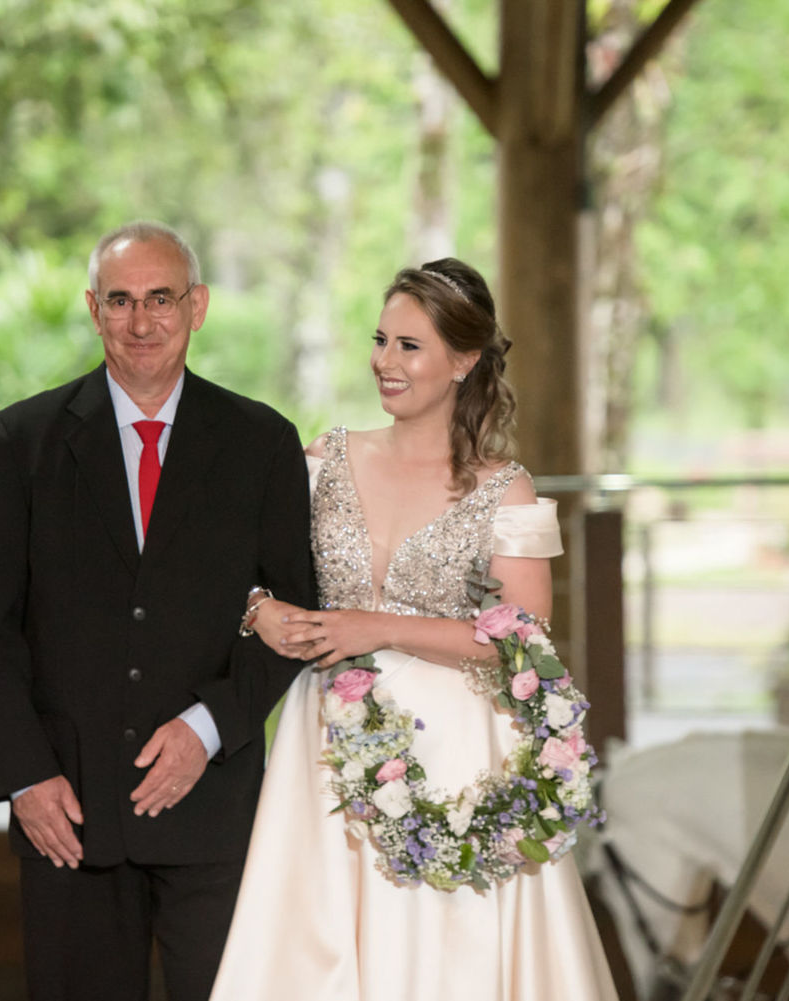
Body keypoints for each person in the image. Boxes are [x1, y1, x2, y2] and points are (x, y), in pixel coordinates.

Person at [208, 259, 618, 1001]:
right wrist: (260, 606)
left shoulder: (506, 487)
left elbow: (523, 637)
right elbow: (239, 566)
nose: (384, 362)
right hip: (325, 737)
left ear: (464, 360)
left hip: (454, 749)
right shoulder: (324, 459)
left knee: (445, 954)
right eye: (380, 340)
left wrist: (377, 626)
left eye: (409, 346)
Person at [0, 221, 314, 1001]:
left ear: (198, 306)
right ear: (93, 310)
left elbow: (296, 614)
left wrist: (207, 728)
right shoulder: (21, 440)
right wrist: (26, 776)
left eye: (161, 298)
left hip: (213, 808)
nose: (141, 320)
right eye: (120, 300)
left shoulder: (262, 442)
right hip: (68, 811)